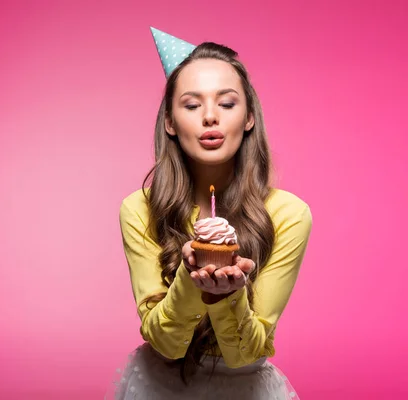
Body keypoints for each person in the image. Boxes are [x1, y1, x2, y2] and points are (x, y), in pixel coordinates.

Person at [106, 27, 313, 399]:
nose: (210, 117)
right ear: (170, 122)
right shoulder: (140, 209)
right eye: (191, 104)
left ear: (249, 117)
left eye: (227, 103)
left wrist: (225, 297)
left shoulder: (288, 214)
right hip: (159, 386)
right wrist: (191, 280)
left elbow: (245, 353)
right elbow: (166, 344)